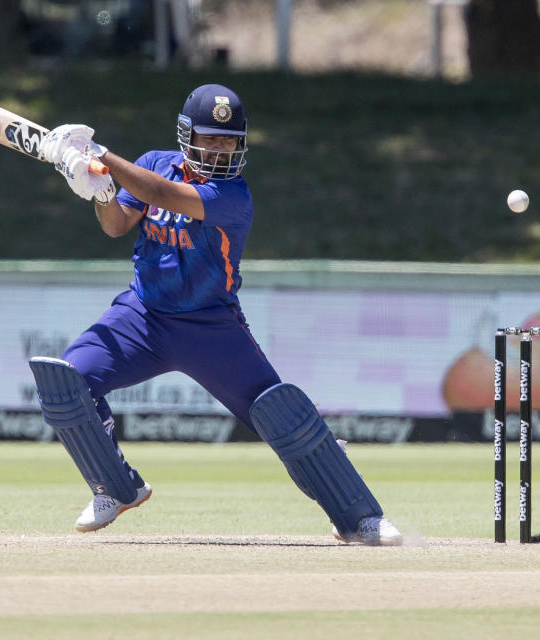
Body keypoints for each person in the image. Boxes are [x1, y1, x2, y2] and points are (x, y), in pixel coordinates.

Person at [32, 83, 402, 546]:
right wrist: (100, 191)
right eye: (211, 139)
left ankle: (358, 516)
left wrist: (100, 155)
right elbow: (116, 226)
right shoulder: (150, 162)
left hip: (210, 325)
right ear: (187, 135)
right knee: (67, 379)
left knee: (281, 414)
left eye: (230, 141)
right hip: (142, 315)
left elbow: (163, 195)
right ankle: (116, 488)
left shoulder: (233, 195)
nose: (221, 149)